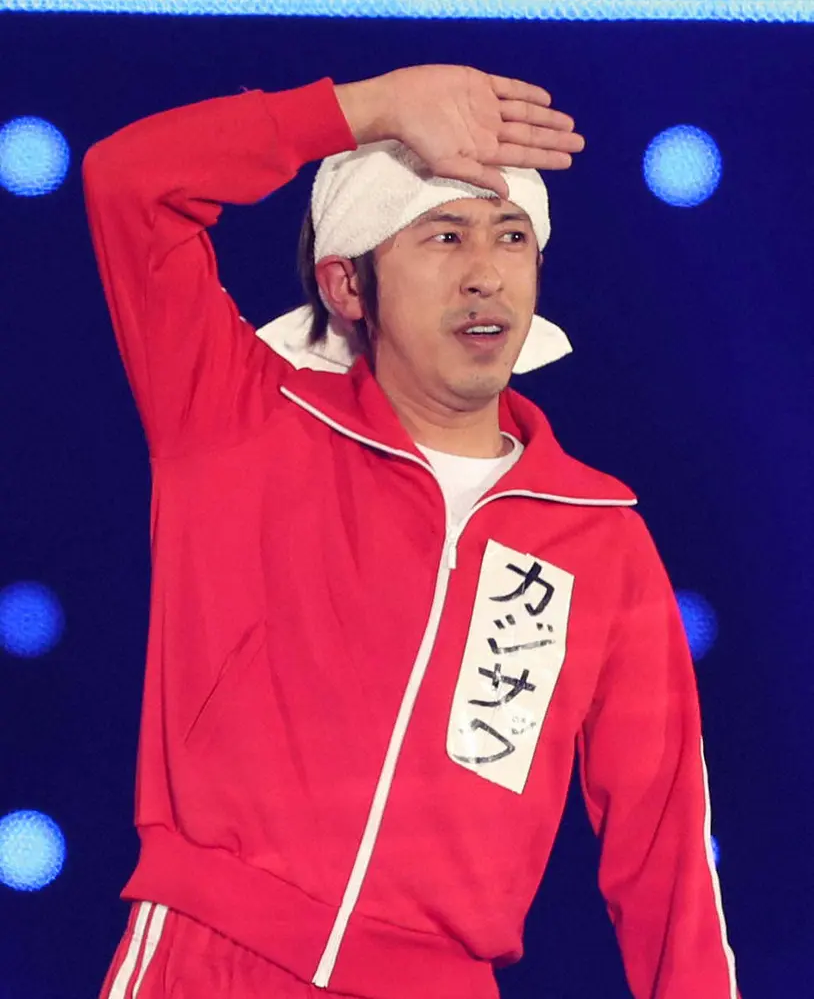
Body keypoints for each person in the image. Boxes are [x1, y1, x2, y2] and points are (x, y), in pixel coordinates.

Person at [83, 65, 739, 999]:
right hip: (211, 960)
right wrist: (369, 109)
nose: (486, 273)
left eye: (512, 236)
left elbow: (665, 848)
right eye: (444, 235)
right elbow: (129, 181)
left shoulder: (597, 537)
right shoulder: (238, 419)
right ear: (347, 285)